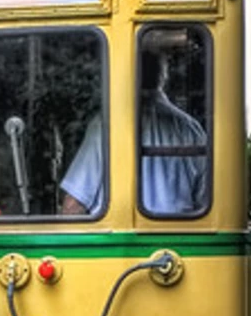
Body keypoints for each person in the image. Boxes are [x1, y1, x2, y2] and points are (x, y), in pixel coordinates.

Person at [60, 52, 209, 217]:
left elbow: (74, 204)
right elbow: (204, 199)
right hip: (177, 238)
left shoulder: (106, 125)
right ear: (164, 77)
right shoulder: (191, 128)